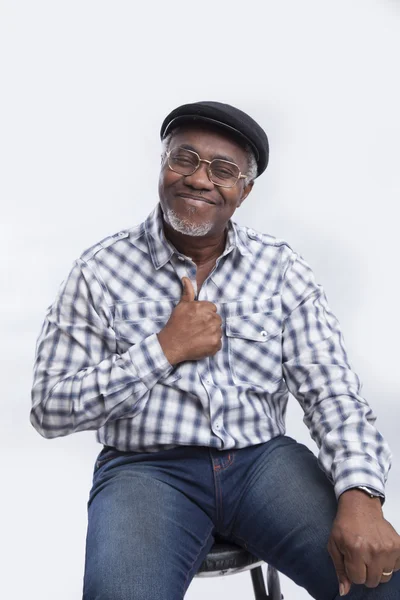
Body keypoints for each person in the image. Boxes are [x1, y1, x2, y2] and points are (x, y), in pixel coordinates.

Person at [31, 101, 400, 599]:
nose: (199, 179)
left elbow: (332, 392)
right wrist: (162, 349)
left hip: (262, 463)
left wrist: (361, 492)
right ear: (163, 167)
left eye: (222, 170)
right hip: (146, 470)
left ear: (244, 192)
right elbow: (48, 408)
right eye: (184, 159)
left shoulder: (281, 269)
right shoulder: (99, 270)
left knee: (379, 579)